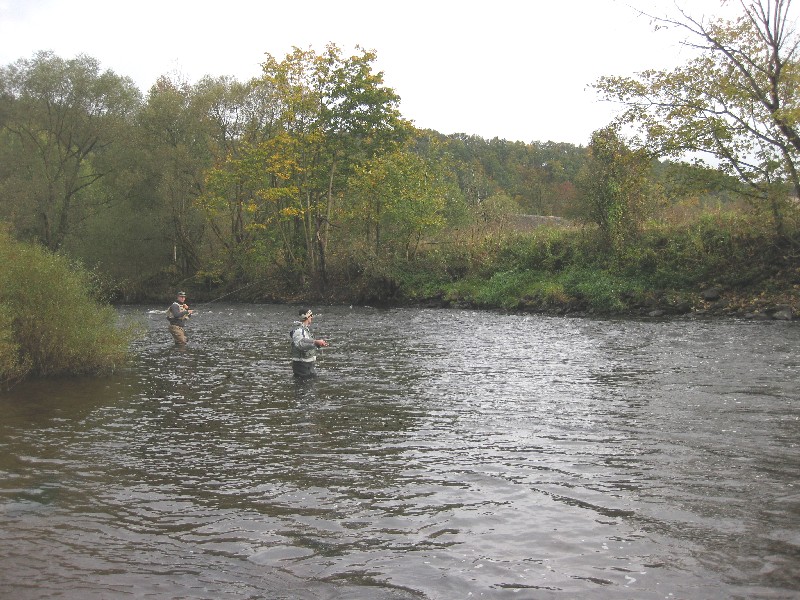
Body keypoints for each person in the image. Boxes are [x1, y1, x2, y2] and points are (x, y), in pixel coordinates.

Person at [290, 309, 328, 378]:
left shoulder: (304, 329)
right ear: (307, 317)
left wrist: (317, 343)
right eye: (311, 315)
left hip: (307, 365)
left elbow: (306, 341)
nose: (312, 317)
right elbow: (301, 345)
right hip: (301, 365)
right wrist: (315, 343)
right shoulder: (299, 330)